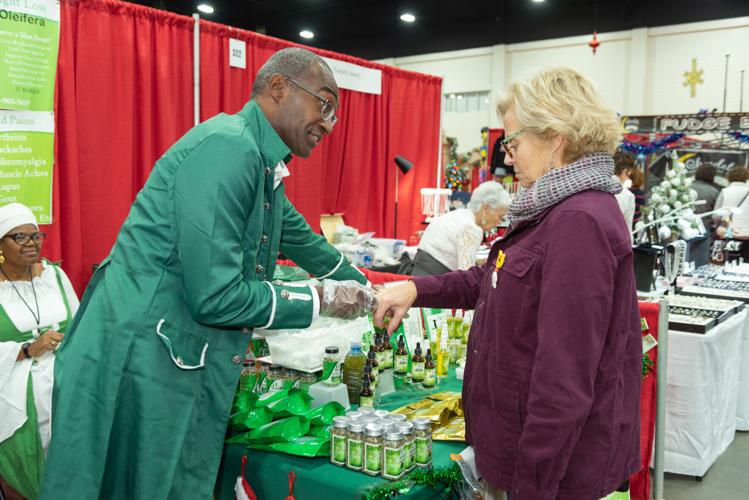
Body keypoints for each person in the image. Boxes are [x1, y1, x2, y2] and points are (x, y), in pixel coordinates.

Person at [40, 47, 376, 500]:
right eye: (325, 103)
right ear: (278, 88)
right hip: (133, 357)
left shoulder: (262, 165)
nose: (329, 123)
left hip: (165, 356)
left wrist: (368, 290)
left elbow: (307, 244)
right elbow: (216, 296)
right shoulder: (229, 146)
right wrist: (321, 300)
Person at [375, 67, 641, 500]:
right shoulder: (554, 209)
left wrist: (531, 487)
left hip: (554, 478)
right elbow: (494, 277)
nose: (508, 156)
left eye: (513, 142)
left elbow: (564, 381)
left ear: (556, 138)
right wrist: (418, 289)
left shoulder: (577, 221)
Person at [0, 203, 79, 500]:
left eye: (35, 236)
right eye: (18, 237)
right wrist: (28, 348)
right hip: (12, 387)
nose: (30, 243)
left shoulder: (55, 277)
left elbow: (81, 323)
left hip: (66, 379)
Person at [400, 182, 510, 275]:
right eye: (500, 216)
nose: (500, 222)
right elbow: (466, 276)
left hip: (419, 276)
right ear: (486, 209)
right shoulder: (472, 228)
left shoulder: (459, 215)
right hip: (433, 282)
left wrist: (481, 262)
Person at [613, 150, 635, 233]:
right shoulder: (628, 196)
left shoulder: (596, 187)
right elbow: (627, 228)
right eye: (629, 173)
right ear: (625, 171)